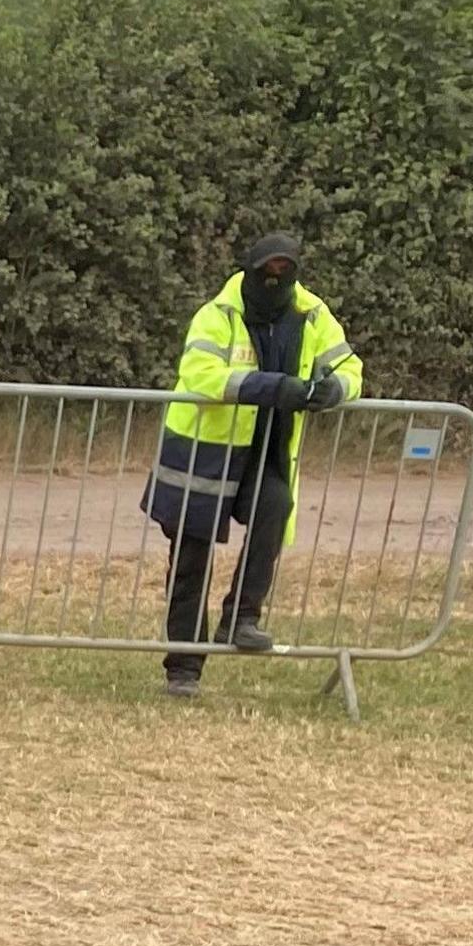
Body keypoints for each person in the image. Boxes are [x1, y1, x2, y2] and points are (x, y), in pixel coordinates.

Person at [143, 232, 363, 697]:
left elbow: (350, 367)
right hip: (202, 453)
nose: (274, 280)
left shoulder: (312, 314)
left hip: (264, 454)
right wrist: (273, 387)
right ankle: (183, 669)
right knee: (190, 561)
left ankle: (242, 618)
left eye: (284, 272)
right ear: (248, 270)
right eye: (266, 272)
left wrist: (335, 390)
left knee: (275, 506)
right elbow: (200, 375)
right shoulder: (217, 314)